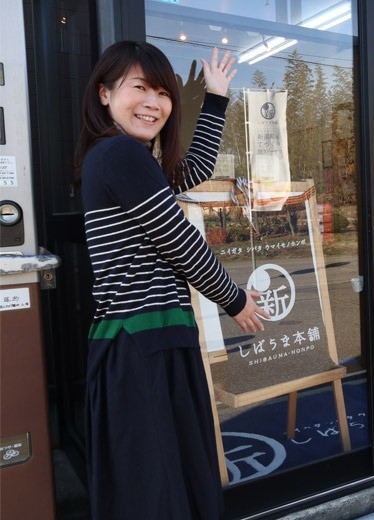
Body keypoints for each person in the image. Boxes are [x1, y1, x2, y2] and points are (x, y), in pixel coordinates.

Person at [74, 41, 268, 518]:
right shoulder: (118, 153)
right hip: (141, 346)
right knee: (157, 490)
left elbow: (195, 169)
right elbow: (179, 241)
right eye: (139, 88)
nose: (153, 103)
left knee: (166, 480)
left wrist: (216, 97)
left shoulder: (129, 159)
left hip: (148, 341)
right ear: (104, 93)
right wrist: (235, 300)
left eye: (163, 93)